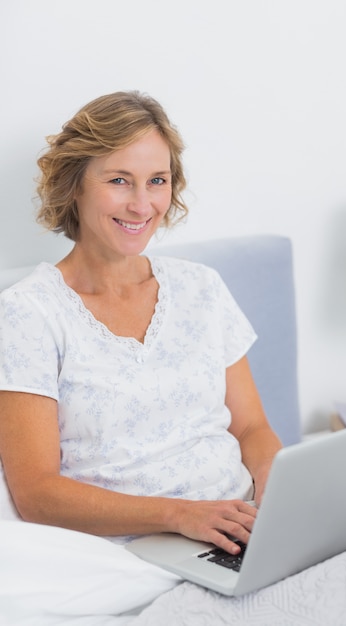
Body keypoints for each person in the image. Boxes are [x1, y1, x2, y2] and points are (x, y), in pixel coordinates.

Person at [0, 91, 282, 558]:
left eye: (157, 180)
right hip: (132, 550)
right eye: (119, 180)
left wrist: (279, 494)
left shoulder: (202, 288)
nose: (142, 204)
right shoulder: (28, 315)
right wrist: (180, 515)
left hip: (236, 528)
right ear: (75, 185)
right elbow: (37, 494)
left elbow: (252, 428)